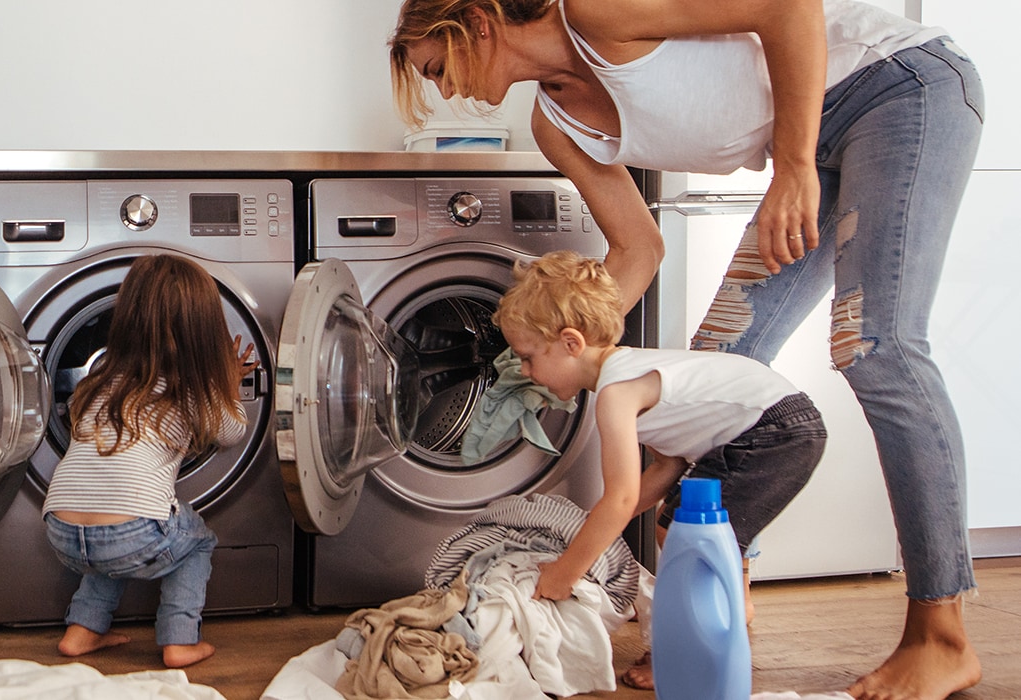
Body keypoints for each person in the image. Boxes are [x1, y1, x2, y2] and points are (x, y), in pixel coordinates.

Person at [387, 1, 983, 697]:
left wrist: (791, 166)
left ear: (478, 24)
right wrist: (561, 349)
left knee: (877, 347)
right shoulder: (556, 127)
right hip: (817, 136)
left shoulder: (595, 9)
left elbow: (790, 7)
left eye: (435, 66)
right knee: (712, 364)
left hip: (897, 87)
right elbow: (639, 248)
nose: (439, 88)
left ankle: (941, 635)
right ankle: (723, 598)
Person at [495, 250, 826, 683]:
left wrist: (565, 572)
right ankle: (720, 617)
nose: (524, 370)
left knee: (683, 530)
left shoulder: (617, 393)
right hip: (775, 423)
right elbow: (666, 469)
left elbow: (621, 497)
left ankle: (689, 650)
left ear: (571, 343)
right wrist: (586, 533)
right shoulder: (628, 373)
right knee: (681, 525)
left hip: (772, 429)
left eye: (528, 357)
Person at [40, 253, 258, 669]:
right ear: (204, 331)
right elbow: (232, 433)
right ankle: (179, 640)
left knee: (110, 528)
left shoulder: (101, 375)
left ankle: (81, 631)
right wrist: (227, 385)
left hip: (60, 530)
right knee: (196, 542)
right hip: (132, 533)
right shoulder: (192, 388)